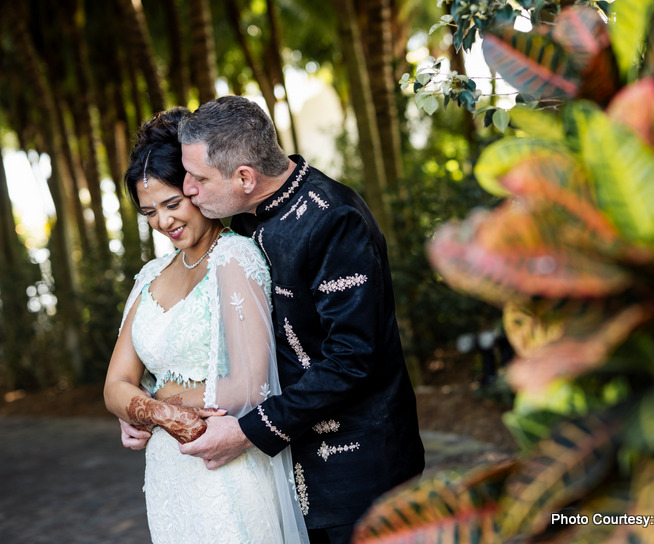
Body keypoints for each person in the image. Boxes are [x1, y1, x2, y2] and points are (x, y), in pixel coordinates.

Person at [172, 95, 426, 543]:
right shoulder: (246, 220)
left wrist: (249, 432)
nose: (188, 189)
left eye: (198, 178)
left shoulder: (335, 221)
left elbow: (352, 359)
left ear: (245, 178)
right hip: (291, 465)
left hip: (359, 469)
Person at [104, 107, 308, 544]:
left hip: (226, 467)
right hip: (168, 474)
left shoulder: (234, 258)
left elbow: (251, 386)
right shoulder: (149, 277)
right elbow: (115, 384)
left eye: (172, 203)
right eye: (149, 212)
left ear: (194, 190)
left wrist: (148, 402)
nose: (163, 221)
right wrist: (157, 411)